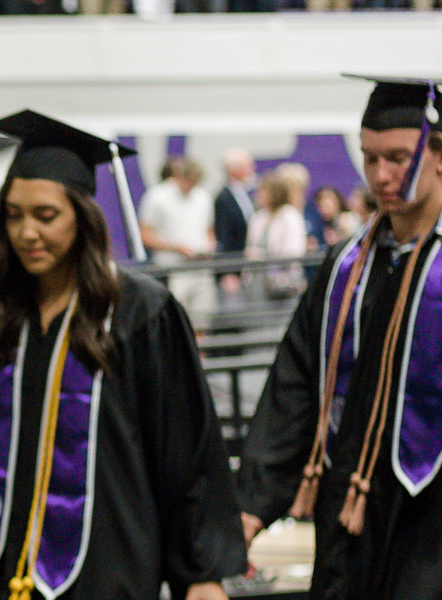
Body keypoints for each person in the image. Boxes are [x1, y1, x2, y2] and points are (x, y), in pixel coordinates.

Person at [0, 110, 247, 600]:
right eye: (13, 214)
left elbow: (184, 448)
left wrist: (201, 574)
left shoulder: (140, 311)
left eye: (45, 215)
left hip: (106, 566)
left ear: (83, 215)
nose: (27, 232)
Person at [238, 74, 442, 599]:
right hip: (345, 508)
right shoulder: (345, 268)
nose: (380, 174)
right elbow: (294, 384)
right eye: (369, 157)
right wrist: (252, 503)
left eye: (397, 157)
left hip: (431, 518)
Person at [140, 156, 218, 333]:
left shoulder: (203, 197)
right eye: (188, 180)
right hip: (172, 271)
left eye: (195, 181)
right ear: (177, 176)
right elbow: (145, 234)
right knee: (175, 325)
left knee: (201, 322)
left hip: (201, 270)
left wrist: (209, 248)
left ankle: (199, 358)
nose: (191, 185)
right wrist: (177, 248)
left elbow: (209, 231)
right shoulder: (157, 196)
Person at [246, 174, 310, 300]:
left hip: (283, 281)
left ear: (275, 193)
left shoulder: (290, 216)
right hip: (257, 279)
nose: (257, 195)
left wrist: (264, 257)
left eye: (262, 191)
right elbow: (250, 247)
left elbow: (294, 250)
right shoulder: (258, 217)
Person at [215, 148, 257, 301]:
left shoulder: (244, 195)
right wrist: (227, 271)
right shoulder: (224, 198)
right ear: (235, 170)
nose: (252, 170)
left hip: (244, 269)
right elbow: (223, 236)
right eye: (248, 166)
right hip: (233, 271)